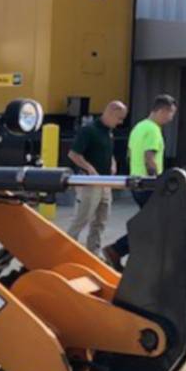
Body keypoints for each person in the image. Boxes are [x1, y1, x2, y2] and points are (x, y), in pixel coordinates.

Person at [104, 94, 178, 269]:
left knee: (151, 223)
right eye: (171, 113)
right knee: (155, 224)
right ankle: (118, 250)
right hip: (148, 184)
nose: (171, 118)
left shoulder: (138, 127)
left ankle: (121, 252)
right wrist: (156, 181)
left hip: (136, 182)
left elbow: (130, 155)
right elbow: (149, 157)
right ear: (162, 110)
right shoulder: (153, 130)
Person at [65, 100, 128, 255]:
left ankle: (94, 251)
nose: (120, 122)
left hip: (105, 182)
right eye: (119, 118)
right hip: (90, 182)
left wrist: (112, 162)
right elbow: (73, 154)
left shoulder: (108, 132)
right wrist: (89, 168)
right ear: (111, 112)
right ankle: (66, 250)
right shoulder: (89, 130)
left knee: (101, 220)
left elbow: (107, 150)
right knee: (82, 218)